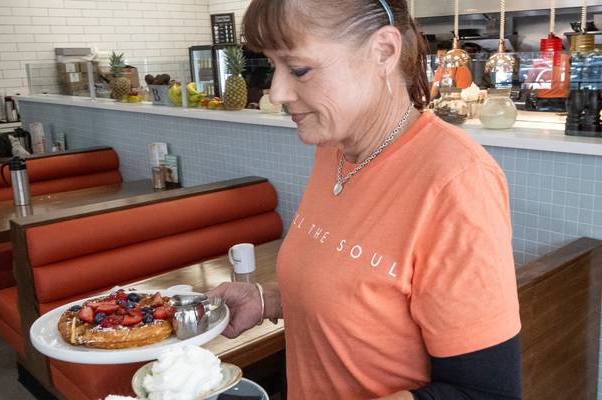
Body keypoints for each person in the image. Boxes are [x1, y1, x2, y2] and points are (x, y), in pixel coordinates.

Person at [209, 1, 522, 399]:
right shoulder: (334, 148)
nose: (277, 91)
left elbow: (486, 394)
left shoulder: (456, 181)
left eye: (299, 69)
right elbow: (362, 299)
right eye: (273, 66)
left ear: (384, 52)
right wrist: (266, 299)